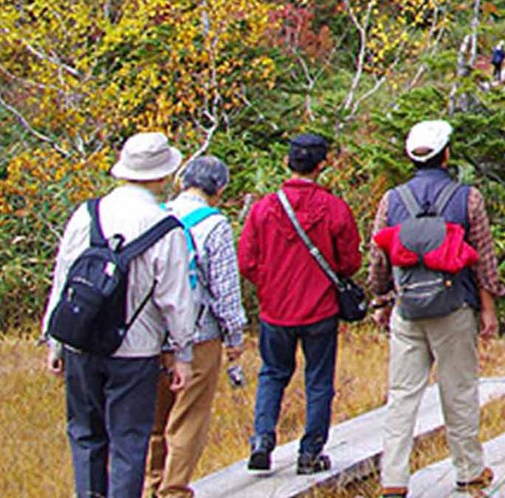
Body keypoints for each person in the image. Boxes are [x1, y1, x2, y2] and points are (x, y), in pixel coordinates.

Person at [43, 132, 200, 498]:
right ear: (163, 176)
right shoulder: (166, 227)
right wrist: (183, 354)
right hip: (136, 350)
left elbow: (64, 278)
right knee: (129, 442)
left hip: (81, 342)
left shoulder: (86, 213)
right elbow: (175, 300)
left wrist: (55, 342)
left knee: (85, 435)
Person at [370, 118, 501, 495]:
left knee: (402, 396)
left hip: (407, 310)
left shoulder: (392, 200)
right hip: (455, 308)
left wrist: (381, 300)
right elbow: (483, 259)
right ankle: (469, 469)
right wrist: (488, 307)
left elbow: (379, 256)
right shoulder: (467, 198)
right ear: (447, 154)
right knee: (459, 391)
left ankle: (393, 478)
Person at [237, 131, 360, 476]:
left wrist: (271, 283)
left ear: (287, 162)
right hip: (320, 308)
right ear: (323, 165)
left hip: (276, 310)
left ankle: (262, 439)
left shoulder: (263, 209)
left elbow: (246, 261)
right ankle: (310, 453)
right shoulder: (335, 209)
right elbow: (350, 262)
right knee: (319, 380)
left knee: (272, 374)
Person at [144, 154, 246, 498]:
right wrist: (234, 336)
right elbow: (225, 287)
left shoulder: (156, 216)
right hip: (199, 335)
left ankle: (151, 484)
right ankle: (173, 490)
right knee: (188, 417)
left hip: (152, 334)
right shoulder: (214, 224)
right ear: (219, 189)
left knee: (154, 420)